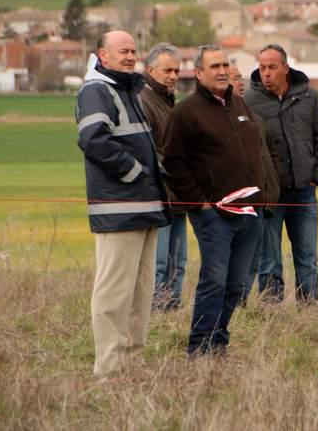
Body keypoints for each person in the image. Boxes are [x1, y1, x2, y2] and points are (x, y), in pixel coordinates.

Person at [75, 30, 169, 376]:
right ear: (102, 54)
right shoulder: (95, 90)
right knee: (114, 295)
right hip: (118, 210)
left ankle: (132, 365)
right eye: (122, 51)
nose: (130, 56)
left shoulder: (129, 90)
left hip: (144, 207)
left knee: (140, 296)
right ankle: (109, 371)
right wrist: (135, 172)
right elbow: (93, 141)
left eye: (133, 50)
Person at [162, 45, 266, 355]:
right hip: (214, 216)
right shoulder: (186, 112)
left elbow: (255, 154)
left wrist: (264, 196)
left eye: (225, 65)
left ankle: (218, 341)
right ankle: (198, 347)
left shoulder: (240, 105)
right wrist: (200, 204)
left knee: (236, 285)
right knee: (214, 281)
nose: (222, 71)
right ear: (198, 74)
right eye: (214, 66)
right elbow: (173, 163)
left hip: (251, 212)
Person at [245, 44, 318, 304]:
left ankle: (309, 312)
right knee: (269, 260)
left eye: (272, 67)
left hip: (304, 192)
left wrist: (317, 174)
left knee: (307, 259)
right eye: (262, 68)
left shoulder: (308, 97)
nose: (266, 73)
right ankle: (272, 314)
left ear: (285, 68)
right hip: (270, 195)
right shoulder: (249, 101)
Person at [140, 42, 187, 311]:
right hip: (159, 195)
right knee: (159, 264)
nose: (172, 76)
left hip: (179, 196)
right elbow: (149, 151)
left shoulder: (169, 102)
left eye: (177, 71)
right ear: (150, 70)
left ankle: (173, 313)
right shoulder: (144, 101)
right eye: (167, 70)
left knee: (178, 262)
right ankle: (157, 316)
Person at [229, 62, 280, 305]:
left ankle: (241, 305)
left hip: (261, 199)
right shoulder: (219, 116)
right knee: (236, 261)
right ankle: (232, 305)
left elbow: (266, 157)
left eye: (241, 77)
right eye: (234, 78)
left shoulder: (253, 117)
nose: (240, 82)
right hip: (237, 202)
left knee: (254, 259)